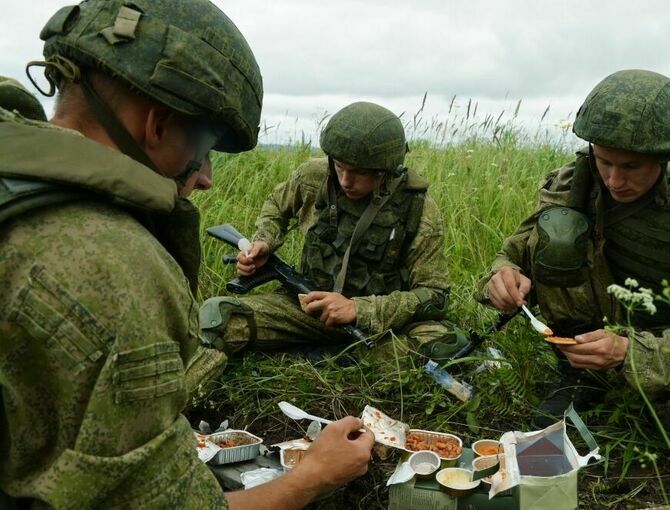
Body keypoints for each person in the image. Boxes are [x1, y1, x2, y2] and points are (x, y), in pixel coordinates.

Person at [0, 1, 373, 508]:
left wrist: (366, 309)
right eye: (205, 148)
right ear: (158, 124)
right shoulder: (114, 267)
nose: (206, 177)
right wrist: (318, 474)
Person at [476, 69, 670, 454]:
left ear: (666, 158)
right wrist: (504, 276)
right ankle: (581, 371)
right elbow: (514, 252)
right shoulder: (570, 188)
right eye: (604, 162)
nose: (615, 180)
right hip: (584, 345)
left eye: (631, 166)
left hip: (663, 347)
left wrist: (629, 353)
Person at [201, 101, 468, 361]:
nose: (345, 181)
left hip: (376, 327)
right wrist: (263, 242)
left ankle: (330, 356)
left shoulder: (417, 208)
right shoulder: (313, 176)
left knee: (444, 344)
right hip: (306, 307)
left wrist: (358, 310)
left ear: (385, 171)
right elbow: (275, 208)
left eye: (359, 172)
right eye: (339, 167)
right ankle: (343, 358)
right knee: (219, 317)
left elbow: (435, 296)